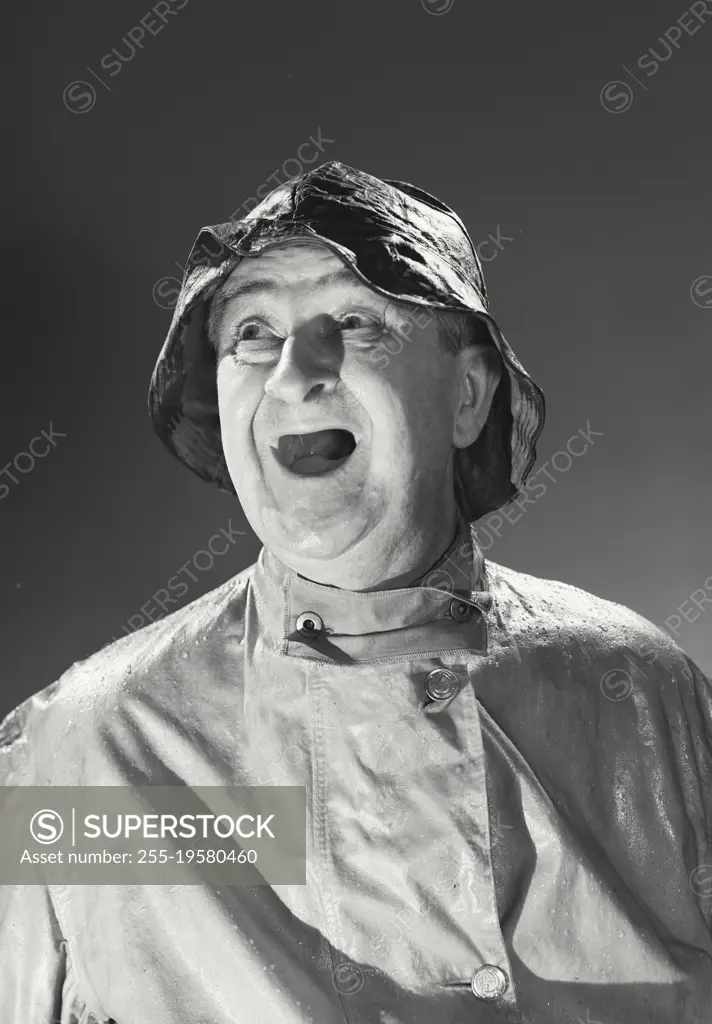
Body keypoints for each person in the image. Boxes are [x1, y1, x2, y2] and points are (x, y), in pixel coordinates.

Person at [1, 161, 710, 1023]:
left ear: (468, 395)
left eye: (355, 322)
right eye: (252, 333)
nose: (295, 374)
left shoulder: (648, 695)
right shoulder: (86, 757)